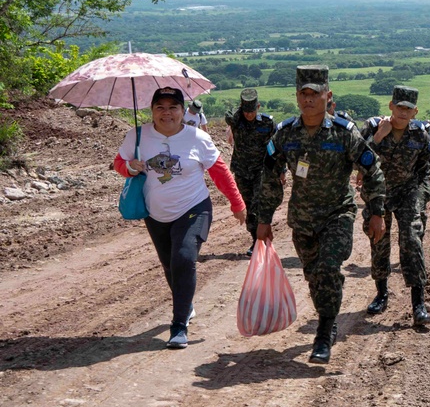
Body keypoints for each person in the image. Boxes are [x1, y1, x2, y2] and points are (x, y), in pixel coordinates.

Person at [256, 66, 386, 364]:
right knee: (315, 277)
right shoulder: (286, 134)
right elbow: (269, 176)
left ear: (328, 96)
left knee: (328, 267)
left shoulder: (343, 133)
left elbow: (372, 169)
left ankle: (324, 333)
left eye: (315, 94)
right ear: (297, 97)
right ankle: (329, 312)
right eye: (304, 93)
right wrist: (263, 220)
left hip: (337, 215)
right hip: (302, 220)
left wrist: (376, 211)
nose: (309, 99)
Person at [114, 87, 246, 349]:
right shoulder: (137, 136)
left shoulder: (197, 138)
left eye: (173, 107)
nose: (166, 113)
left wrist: (237, 203)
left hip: (194, 206)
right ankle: (186, 302)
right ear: (151, 111)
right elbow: (119, 163)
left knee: (184, 258)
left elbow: (220, 172)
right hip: (155, 212)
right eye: (160, 107)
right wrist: (129, 167)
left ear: (182, 111)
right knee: (168, 263)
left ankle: (179, 325)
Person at [358, 86, 430, 327]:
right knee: (378, 240)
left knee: (411, 239)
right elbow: (359, 162)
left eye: (408, 109)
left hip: (407, 192)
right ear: (391, 106)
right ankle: (381, 293)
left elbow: (424, 170)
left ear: (415, 112)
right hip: (378, 193)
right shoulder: (372, 127)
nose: (403, 112)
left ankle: (418, 304)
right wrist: (378, 137)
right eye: (399, 107)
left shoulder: (421, 135)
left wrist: (421, 197)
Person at [224, 88, 276, 256]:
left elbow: (276, 147)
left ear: (258, 107)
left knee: (256, 204)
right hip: (241, 170)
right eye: (245, 111)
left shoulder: (267, 123)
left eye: (252, 110)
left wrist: (278, 169)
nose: (248, 115)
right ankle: (255, 238)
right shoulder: (237, 121)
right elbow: (229, 115)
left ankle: (260, 241)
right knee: (247, 207)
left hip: (260, 170)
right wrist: (242, 108)